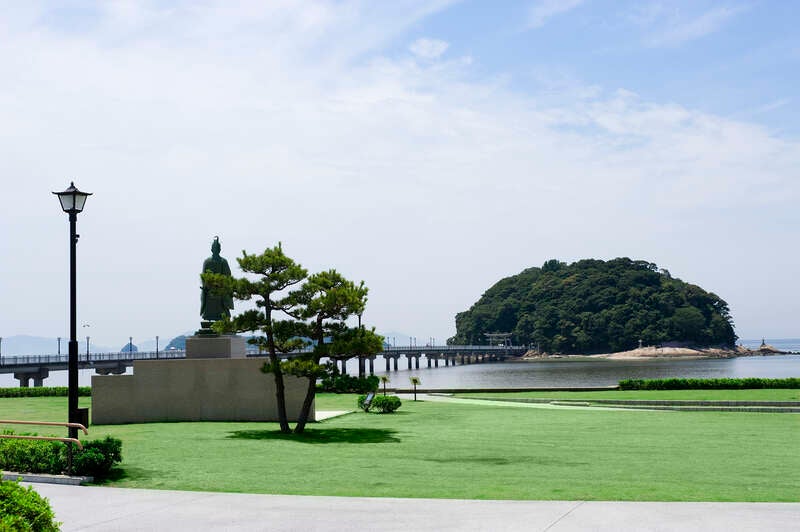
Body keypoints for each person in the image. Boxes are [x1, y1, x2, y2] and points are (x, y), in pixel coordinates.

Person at [200, 236, 234, 321]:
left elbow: (228, 277)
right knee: (209, 312)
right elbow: (203, 277)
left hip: (220, 291)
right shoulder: (207, 261)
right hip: (210, 292)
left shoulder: (223, 261)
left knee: (222, 311)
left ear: (219, 249)